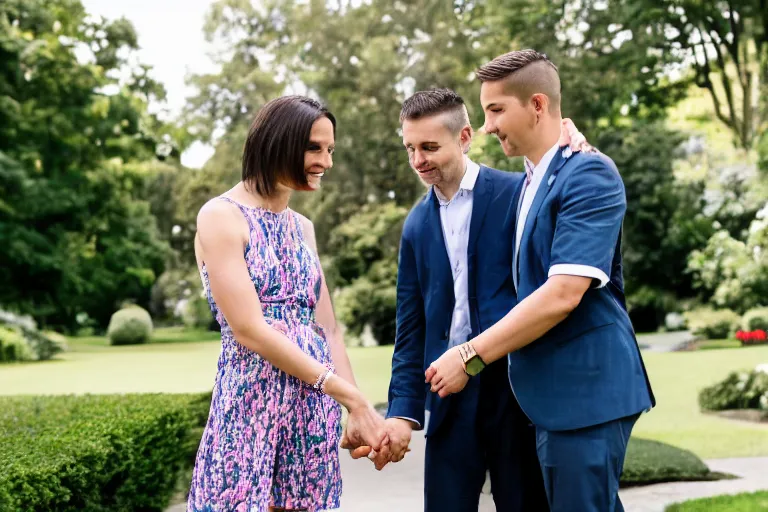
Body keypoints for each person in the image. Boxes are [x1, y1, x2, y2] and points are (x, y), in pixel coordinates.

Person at [425, 50, 655, 512]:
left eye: (495, 110)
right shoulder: (531, 180)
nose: (487, 126)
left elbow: (562, 295)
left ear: (536, 105)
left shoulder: (589, 173)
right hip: (547, 398)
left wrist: (469, 356)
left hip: (585, 392)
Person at [376, 88, 587, 511]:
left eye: (430, 147)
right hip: (448, 400)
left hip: (516, 393)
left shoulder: (518, 194)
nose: (418, 160)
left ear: (466, 136)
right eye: (410, 148)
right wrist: (402, 411)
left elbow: (562, 180)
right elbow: (410, 325)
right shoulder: (415, 224)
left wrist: (570, 139)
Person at [187, 95, 386, 512]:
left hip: (310, 408)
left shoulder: (303, 228)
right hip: (248, 406)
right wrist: (349, 397)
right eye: (315, 148)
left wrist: (354, 408)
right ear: (278, 143)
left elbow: (327, 329)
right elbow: (249, 329)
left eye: (330, 150)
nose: (326, 162)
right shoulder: (220, 216)